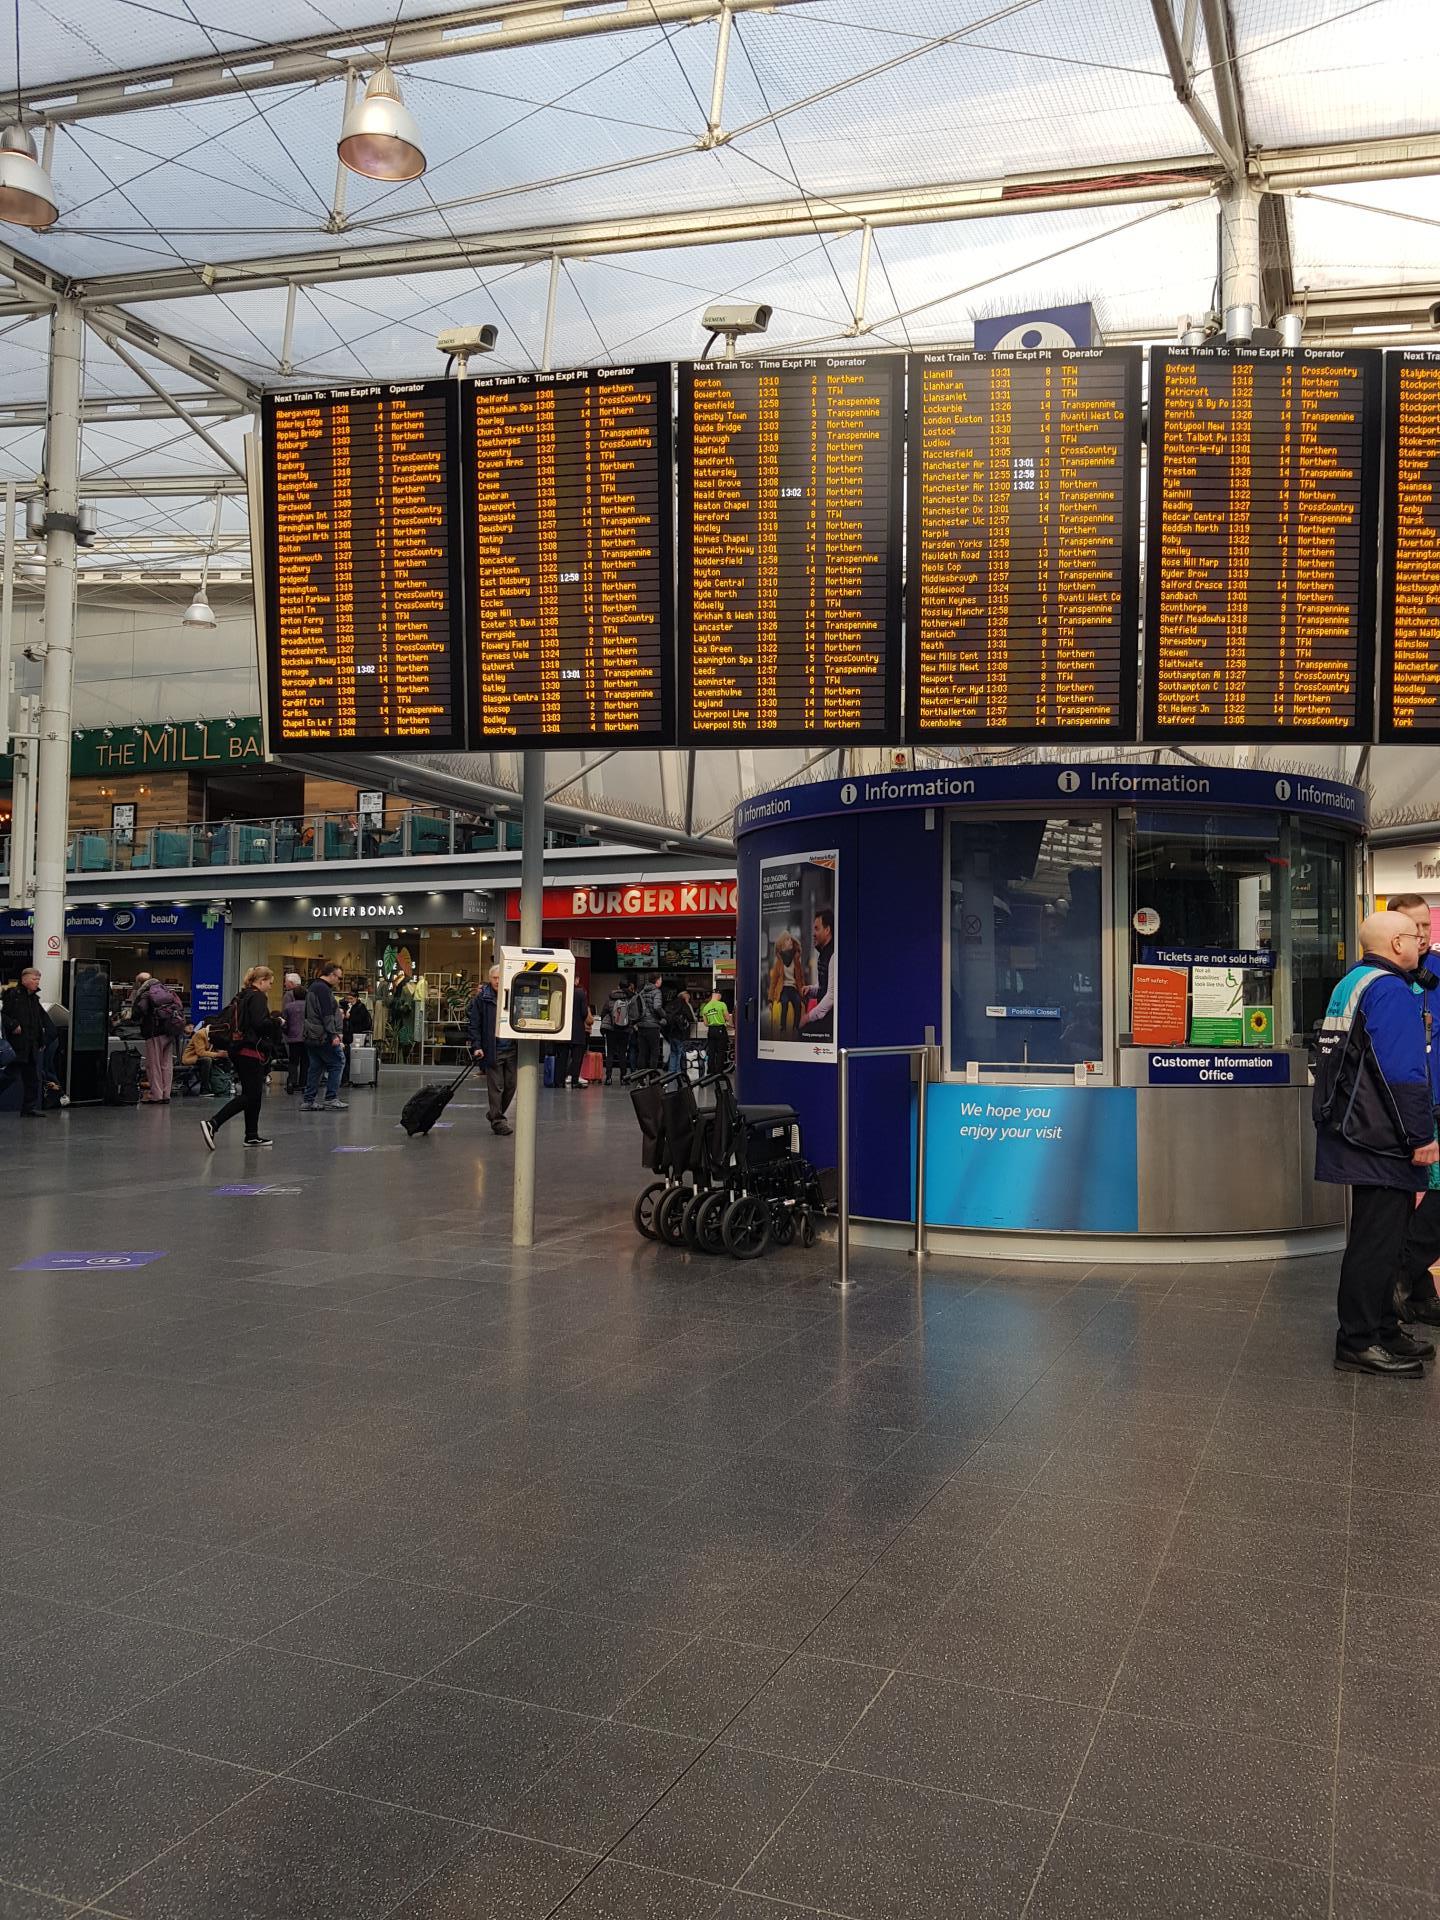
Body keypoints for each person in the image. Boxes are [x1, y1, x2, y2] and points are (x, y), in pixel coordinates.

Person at [1314, 909, 1438, 1377]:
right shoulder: (1389, 991)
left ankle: (1384, 1328)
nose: (1421, 942)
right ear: (1395, 944)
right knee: (1376, 1241)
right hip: (1380, 1136)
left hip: (1357, 1129)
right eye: (1414, 935)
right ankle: (1360, 1340)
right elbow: (1402, 1072)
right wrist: (1420, 1135)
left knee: (1381, 1238)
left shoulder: (1355, 982)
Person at [1388, 893, 1440, 1327]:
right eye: (1412, 927)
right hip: (1403, 1108)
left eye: (1426, 925)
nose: (1421, 935)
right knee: (1404, 1199)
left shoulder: (1436, 972)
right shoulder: (1387, 980)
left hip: (1436, 1104)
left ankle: (1406, 1278)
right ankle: (1409, 1283)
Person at [201, 966, 281, 1150]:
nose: (270, 986)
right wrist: (277, 1022)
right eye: (270, 982)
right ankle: (213, 1123)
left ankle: (251, 1135)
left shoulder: (242, 996)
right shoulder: (258, 997)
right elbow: (260, 1024)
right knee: (249, 1096)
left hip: (239, 1051)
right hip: (251, 1051)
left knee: (254, 1095)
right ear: (261, 981)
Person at [467, 962, 515, 1135]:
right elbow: (475, 1024)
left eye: (500, 978)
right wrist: (477, 1046)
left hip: (511, 1048)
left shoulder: (511, 995)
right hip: (493, 1048)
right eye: (494, 978)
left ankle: (495, 1113)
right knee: (496, 1087)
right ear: (489, 979)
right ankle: (497, 1121)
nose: (497, 981)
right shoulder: (482, 998)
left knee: (511, 1085)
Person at [2, 966, 53, 1117]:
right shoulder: (13, 996)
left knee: (32, 1079)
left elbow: (38, 1022)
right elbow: (3, 1016)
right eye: (34, 979)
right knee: (9, 1076)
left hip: (31, 1046)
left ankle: (28, 1108)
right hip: (17, 1045)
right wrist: (13, 1025)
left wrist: (42, 1040)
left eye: (38, 979)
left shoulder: (34, 1000)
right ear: (24, 980)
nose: (37, 982)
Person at [300, 961, 348, 1112]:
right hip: (322, 1035)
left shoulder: (313, 987)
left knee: (315, 1066)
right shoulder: (323, 989)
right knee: (338, 1062)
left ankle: (309, 1099)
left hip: (311, 1034)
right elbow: (326, 1014)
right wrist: (333, 1034)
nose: (339, 981)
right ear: (332, 975)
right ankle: (331, 1097)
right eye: (339, 978)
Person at [132, 970, 184, 1104]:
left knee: (153, 1065)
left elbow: (139, 1011)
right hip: (170, 1031)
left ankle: (156, 1095)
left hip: (154, 1032)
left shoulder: (145, 992)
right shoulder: (165, 989)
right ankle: (166, 1094)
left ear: (140, 982)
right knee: (166, 1064)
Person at [801, 909, 835, 1041]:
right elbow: (824, 987)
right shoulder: (823, 954)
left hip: (829, 1022)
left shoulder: (834, 955)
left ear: (827, 930)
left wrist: (808, 1017)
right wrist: (811, 989)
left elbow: (831, 996)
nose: (813, 934)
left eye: (817, 929)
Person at [561, 980, 592, 1088]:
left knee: (563, 1057)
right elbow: (584, 1013)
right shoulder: (580, 993)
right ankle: (574, 1080)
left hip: (563, 1028)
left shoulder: (562, 989)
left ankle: (560, 1080)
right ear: (577, 979)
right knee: (577, 1057)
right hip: (578, 1029)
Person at [181, 1021, 225, 1095]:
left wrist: (223, 1053)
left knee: (225, 1059)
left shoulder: (214, 1035)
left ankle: (223, 1085)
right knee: (207, 1060)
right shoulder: (200, 1034)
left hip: (203, 1057)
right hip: (192, 1058)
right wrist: (217, 1054)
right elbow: (200, 1053)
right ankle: (204, 1089)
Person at [281, 973, 306, 1094]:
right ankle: (303, 1084)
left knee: (293, 1061)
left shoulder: (288, 1006)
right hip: (306, 1038)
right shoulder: (309, 1006)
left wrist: (286, 1031)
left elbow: (284, 1023)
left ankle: (291, 1082)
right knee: (305, 1062)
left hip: (292, 1037)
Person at [634, 973, 665, 1074]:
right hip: (653, 1026)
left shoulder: (642, 991)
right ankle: (652, 1078)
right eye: (660, 979)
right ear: (657, 981)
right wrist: (664, 1016)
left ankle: (641, 1079)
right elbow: (657, 1007)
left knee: (642, 1053)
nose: (661, 981)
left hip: (641, 1026)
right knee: (654, 1052)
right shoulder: (657, 992)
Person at [600, 983, 630, 1085]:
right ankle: (623, 1078)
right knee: (622, 1054)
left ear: (617, 988)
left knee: (610, 1053)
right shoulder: (627, 1000)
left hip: (611, 1030)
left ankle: (608, 1078)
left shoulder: (609, 1000)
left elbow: (603, 1013)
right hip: (624, 1030)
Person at [344, 987, 373, 1087]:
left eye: (351, 999)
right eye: (348, 999)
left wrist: (349, 1016)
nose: (350, 1001)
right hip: (352, 1034)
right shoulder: (351, 1006)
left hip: (357, 1034)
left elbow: (359, 1020)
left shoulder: (360, 1007)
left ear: (356, 998)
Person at [700, 985, 730, 1078]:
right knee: (720, 1052)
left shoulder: (706, 1007)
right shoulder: (722, 1004)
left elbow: (705, 1023)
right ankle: (718, 1073)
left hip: (711, 1030)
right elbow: (727, 1018)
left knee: (711, 1051)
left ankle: (710, 1072)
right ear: (718, 995)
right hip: (720, 1029)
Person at [666, 988, 695, 1080]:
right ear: (685, 997)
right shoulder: (684, 1004)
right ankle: (678, 1074)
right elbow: (691, 1018)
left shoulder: (671, 1004)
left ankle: (671, 1073)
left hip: (671, 1033)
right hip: (681, 1033)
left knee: (673, 1053)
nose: (689, 999)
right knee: (680, 1053)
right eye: (688, 998)